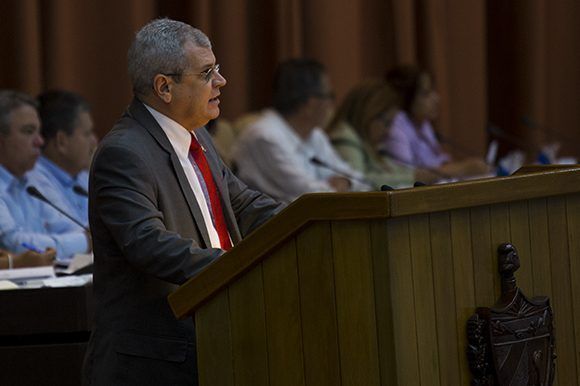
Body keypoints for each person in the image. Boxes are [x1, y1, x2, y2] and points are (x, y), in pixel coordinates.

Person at [83, 18, 282, 386]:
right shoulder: (123, 153)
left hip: (210, 345)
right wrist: (239, 268)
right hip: (151, 365)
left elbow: (244, 205)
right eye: (207, 73)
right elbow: (148, 242)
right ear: (164, 87)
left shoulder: (197, 135)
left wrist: (314, 219)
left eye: (217, 69)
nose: (221, 82)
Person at [233, 58, 368, 203]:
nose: (331, 105)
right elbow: (308, 196)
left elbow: (359, 180)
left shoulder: (315, 135)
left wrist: (346, 182)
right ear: (311, 103)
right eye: (329, 96)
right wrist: (337, 186)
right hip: (276, 222)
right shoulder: (265, 136)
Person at [0, 90, 91, 261]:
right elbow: (14, 244)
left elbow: (66, 227)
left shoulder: (31, 182)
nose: (39, 142)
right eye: (28, 131)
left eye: (39, 132)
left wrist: (83, 239)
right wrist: (85, 241)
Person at [381, 64, 489, 178]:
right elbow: (408, 177)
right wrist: (463, 168)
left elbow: (436, 162)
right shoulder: (395, 124)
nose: (436, 98)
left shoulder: (423, 122)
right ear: (405, 97)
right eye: (426, 94)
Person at [328, 79, 438, 189]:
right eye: (387, 122)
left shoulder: (370, 143)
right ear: (368, 114)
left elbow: (391, 170)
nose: (388, 131)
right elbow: (358, 181)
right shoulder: (344, 135)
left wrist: (420, 174)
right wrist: (415, 177)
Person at [35, 90, 98, 228]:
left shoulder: (82, 177)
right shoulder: (34, 181)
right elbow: (73, 232)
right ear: (61, 141)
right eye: (87, 134)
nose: (94, 141)